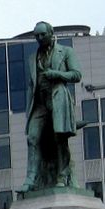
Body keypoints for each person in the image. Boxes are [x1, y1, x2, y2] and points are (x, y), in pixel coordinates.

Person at [20, 20, 82, 193]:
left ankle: (63, 176)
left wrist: (57, 74)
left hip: (58, 98)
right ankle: (30, 179)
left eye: (42, 34)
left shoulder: (66, 51)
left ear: (51, 33)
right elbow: (31, 86)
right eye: (36, 36)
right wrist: (28, 110)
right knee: (32, 137)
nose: (39, 38)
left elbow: (77, 74)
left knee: (59, 139)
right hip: (39, 103)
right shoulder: (32, 58)